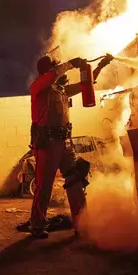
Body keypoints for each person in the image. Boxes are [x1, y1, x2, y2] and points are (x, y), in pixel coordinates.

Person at [29, 53, 114, 239]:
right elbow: (52, 76)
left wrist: (99, 66)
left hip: (64, 142)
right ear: (47, 70)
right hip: (47, 143)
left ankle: (82, 223)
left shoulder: (61, 91)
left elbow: (86, 85)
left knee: (75, 179)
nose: (58, 68)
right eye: (55, 66)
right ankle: (37, 225)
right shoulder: (38, 87)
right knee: (44, 185)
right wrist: (70, 64)